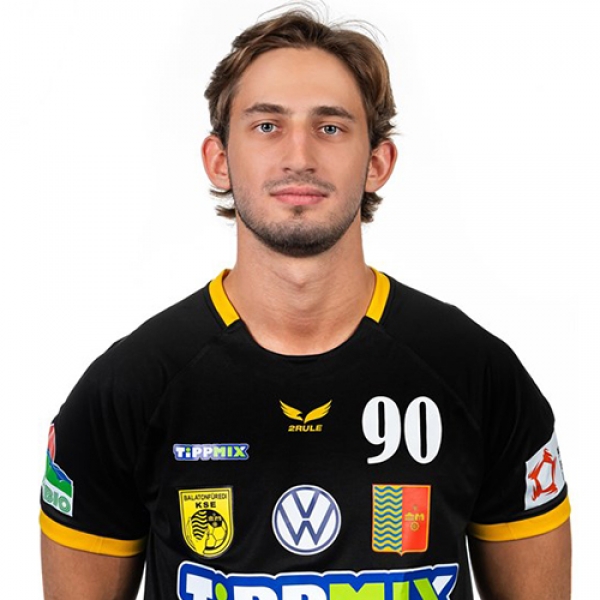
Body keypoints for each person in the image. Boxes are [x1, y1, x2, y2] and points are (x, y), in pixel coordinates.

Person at [40, 8, 571, 600]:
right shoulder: (126, 388)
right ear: (219, 160)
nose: (299, 156)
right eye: (267, 125)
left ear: (377, 163)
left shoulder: (478, 374)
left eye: (331, 127)